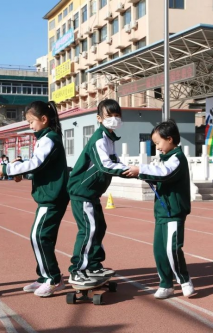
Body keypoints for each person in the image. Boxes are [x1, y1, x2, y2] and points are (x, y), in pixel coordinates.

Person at [0, 101, 69, 297]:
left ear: (44, 120)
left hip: (52, 197)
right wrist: (21, 169)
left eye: (31, 122)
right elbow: (39, 166)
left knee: (39, 237)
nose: (29, 126)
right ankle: (45, 276)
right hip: (49, 196)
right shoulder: (45, 138)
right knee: (41, 237)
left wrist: (6, 169)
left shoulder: (49, 139)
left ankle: (53, 278)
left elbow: (36, 163)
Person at [125, 120, 194, 299]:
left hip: (174, 212)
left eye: (158, 143)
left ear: (170, 139)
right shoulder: (165, 159)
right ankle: (166, 284)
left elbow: (164, 173)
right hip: (163, 212)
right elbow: (158, 173)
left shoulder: (177, 158)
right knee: (159, 250)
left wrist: (140, 170)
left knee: (172, 249)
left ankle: (184, 280)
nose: (157, 147)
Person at [67, 99, 131, 287]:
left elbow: (117, 163)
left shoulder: (110, 139)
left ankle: (93, 265)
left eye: (117, 115)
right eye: (109, 116)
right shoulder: (99, 139)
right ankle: (77, 270)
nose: (114, 119)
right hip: (82, 191)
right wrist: (130, 171)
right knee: (88, 229)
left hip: (93, 193)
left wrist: (137, 172)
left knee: (99, 227)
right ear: (99, 118)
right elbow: (105, 165)